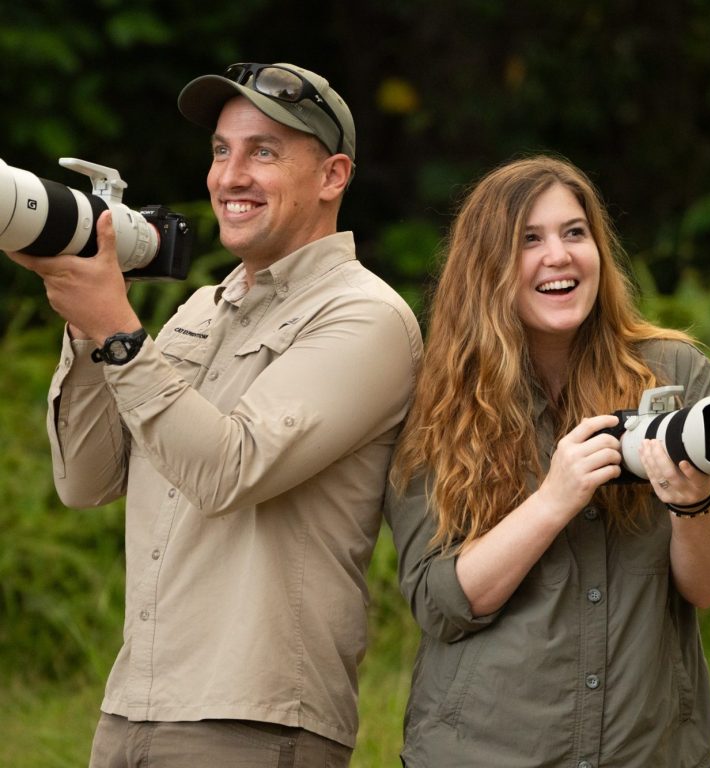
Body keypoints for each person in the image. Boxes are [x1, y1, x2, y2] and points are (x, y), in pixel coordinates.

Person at [7, 62, 422, 767]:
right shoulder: (202, 308)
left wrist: (116, 329)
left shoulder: (365, 316)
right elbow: (86, 481)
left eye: (264, 152)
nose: (231, 176)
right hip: (131, 707)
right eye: (221, 151)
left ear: (333, 176)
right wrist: (85, 326)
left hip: (252, 721)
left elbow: (229, 471)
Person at [384, 155, 710, 768]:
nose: (558, 256)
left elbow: (708, 588)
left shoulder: (674, 374)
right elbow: (441, 604)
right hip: (486, 751)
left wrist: (693, 502)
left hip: (647, 748)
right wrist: (551, 502)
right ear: (486, 266)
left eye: (575, 232)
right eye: (529, 239)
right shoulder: (439, 401)